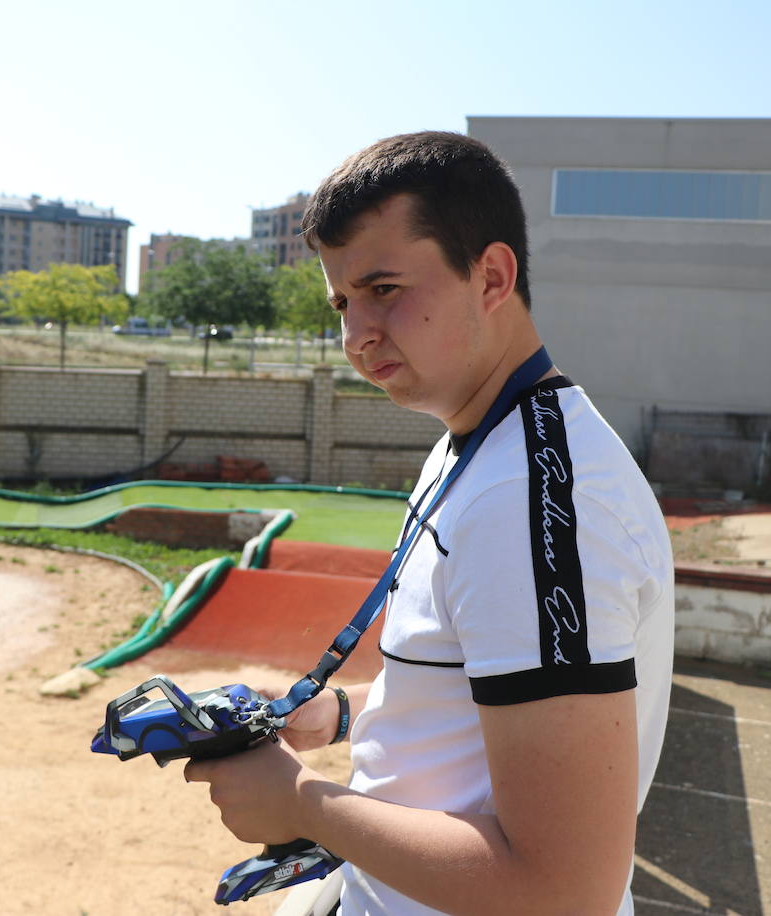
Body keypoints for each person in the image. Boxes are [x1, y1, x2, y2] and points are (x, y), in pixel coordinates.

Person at [184, 131, 674, 915]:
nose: (356, 334)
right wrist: (340, 713)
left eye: (383, 288)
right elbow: (476, 691)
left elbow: (564, 892)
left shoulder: (534, 500)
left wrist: (305, 805)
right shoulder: (483, 442)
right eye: (343, 301)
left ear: (491, 276)